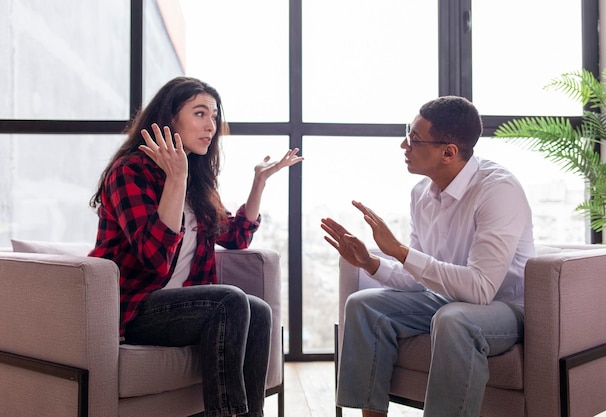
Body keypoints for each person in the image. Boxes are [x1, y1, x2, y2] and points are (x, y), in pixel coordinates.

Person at [89, 76, 303, 417]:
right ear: (171, 118)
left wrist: (258, 182)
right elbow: (156, 259)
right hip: (133, 308)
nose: (211, 126)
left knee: (259, 311)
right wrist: (175, 179)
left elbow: (236, 237)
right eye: (200, 114)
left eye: (215, 116)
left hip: (182, 306)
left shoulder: (195, 179)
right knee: (229, 299)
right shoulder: (130, 172)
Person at [321, 96, 534, 417]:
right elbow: (419, 276)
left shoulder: (498, 190)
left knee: (454, 319)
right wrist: (371, 263)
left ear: (448, 152)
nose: (404, 144)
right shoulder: (421, 194)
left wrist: (400, 252)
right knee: (363, 304)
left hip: (505, 309)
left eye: (415, 138)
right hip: (447, 300)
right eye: (409, 133)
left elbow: (480, 290)